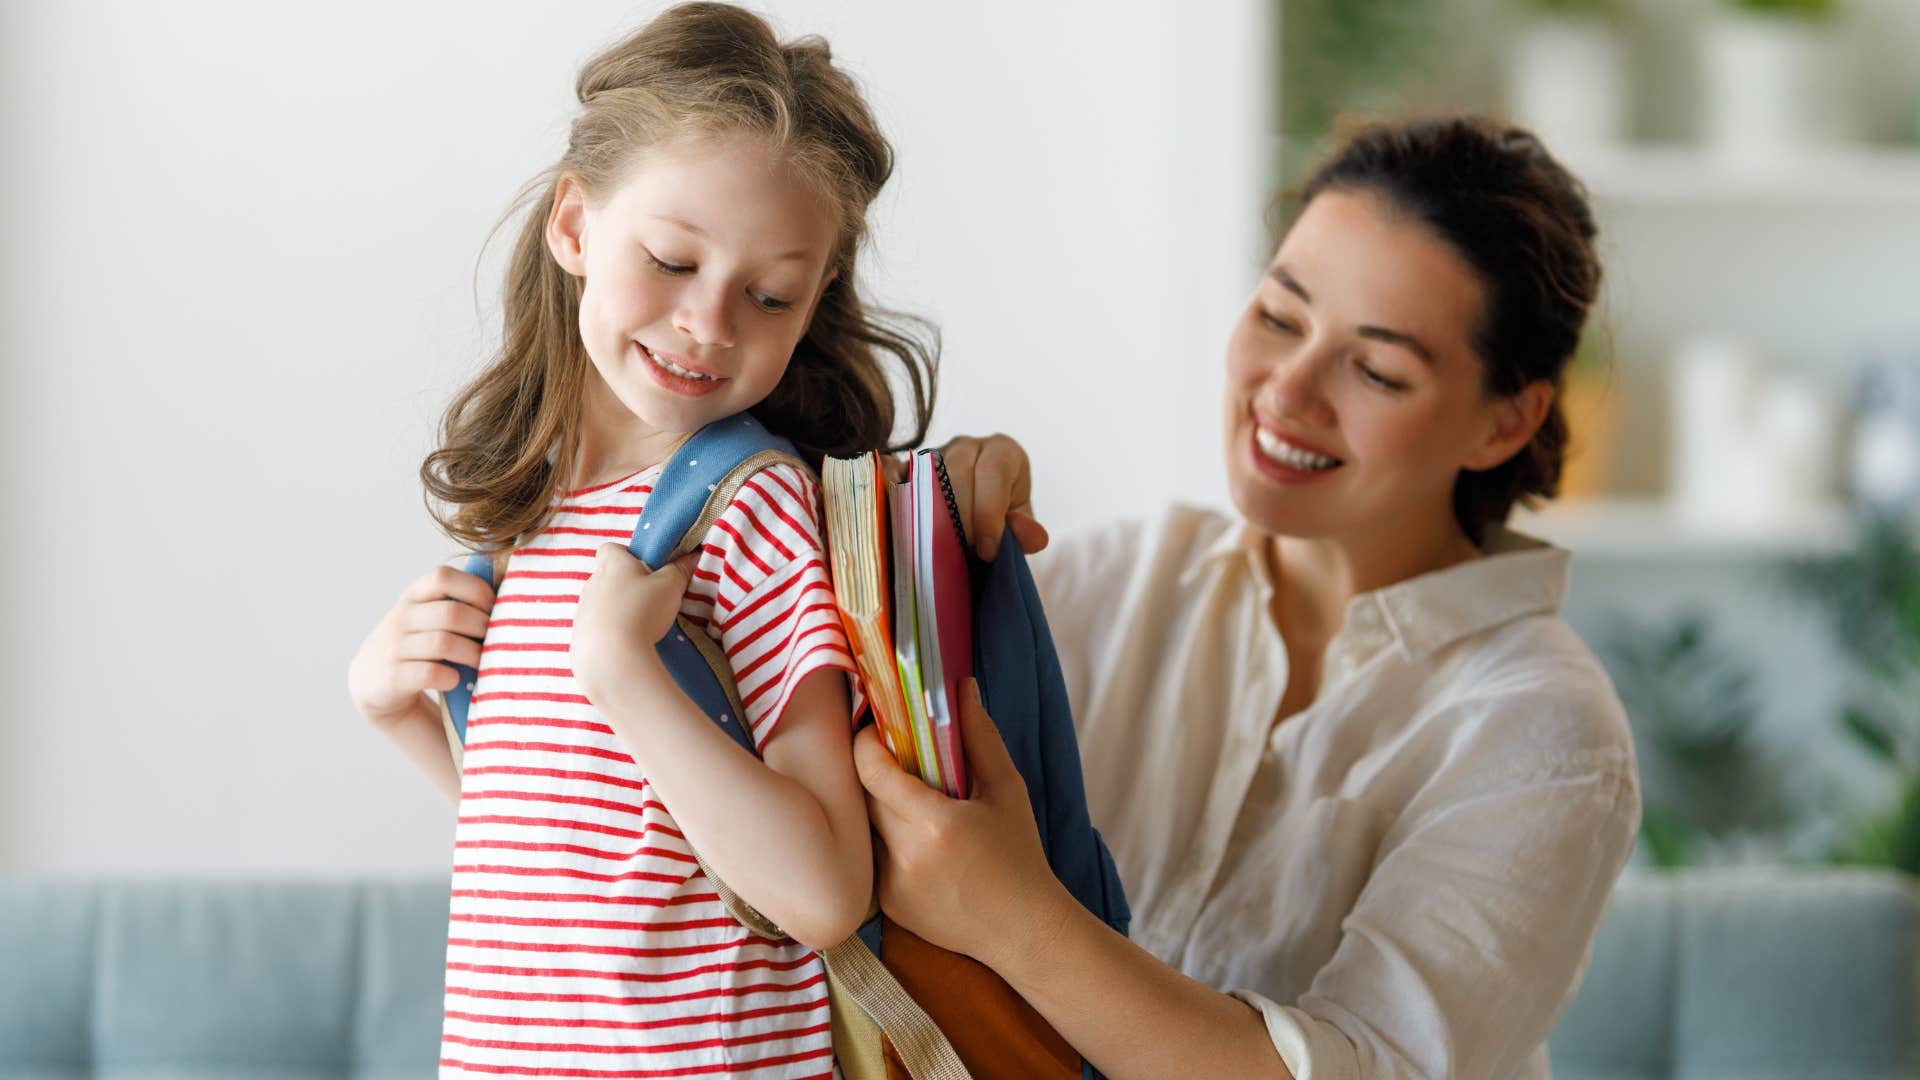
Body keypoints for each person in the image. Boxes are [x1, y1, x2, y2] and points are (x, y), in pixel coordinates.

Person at [856, 116, 1642, 1079]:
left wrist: (1015, 917)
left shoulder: (1544, 736)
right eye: (1280, 316)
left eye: (1378, 369)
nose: (1290, 391)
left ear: (1506, 421)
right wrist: (930, 535)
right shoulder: (1107, 586)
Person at [344, 5, 936, 1076]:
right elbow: (577, 856)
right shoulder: (531, 522)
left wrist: (625, 672)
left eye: (770, 294)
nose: (712, 324)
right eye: (671, 260)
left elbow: (820, 892)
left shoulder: (747, 513)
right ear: (574, 225)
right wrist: (394, 714)